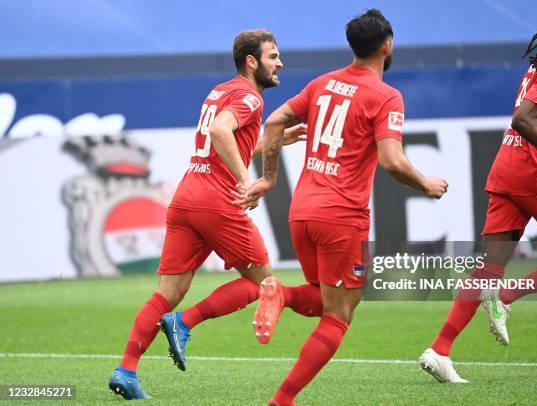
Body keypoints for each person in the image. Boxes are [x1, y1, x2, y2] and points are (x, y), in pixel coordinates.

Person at [235, 9, 448, 405]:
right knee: (339, 315)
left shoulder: (323, 83)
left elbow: (275, 122)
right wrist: (426, 184)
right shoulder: (386, 96)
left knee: (325, 299)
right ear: (387, 46)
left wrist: (267, 178)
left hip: (302, 210)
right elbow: (392, 161)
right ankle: (281, 399)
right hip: (342, 217)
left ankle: (279, 294)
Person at [108, 29, 306, 400]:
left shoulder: (221, 90)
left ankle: (127, 370)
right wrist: (248, 182)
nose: (280, 63)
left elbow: (227, 140)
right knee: (263, 284)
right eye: (273, 56)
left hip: (187, 196)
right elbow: (220, 131)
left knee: (167, 292)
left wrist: (275, 141)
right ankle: (184, 323)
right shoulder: (250, 96)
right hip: (216, 200)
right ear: (252, 61)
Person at [420, 8, 537, 383]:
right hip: (532, 174)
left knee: (488, 269)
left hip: (507, 169)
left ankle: (439, 350)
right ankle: (505, 297)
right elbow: (522, 119)